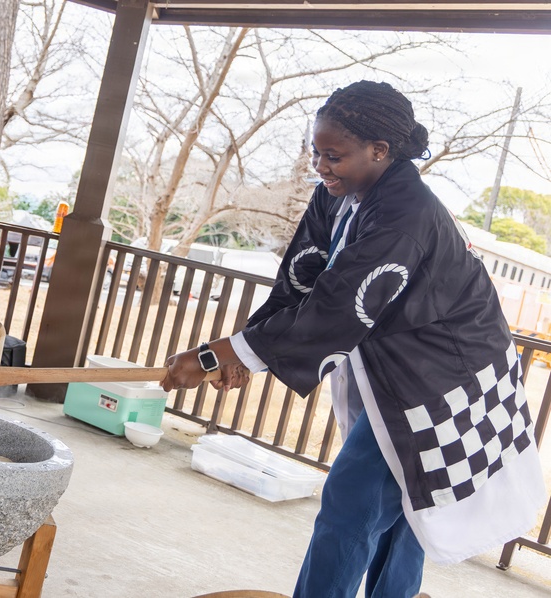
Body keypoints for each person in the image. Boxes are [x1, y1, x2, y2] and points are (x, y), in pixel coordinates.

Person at [161, 81, 546, 597]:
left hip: (446, 379)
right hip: (398, 362)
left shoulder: (406, 210)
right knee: (401, 496)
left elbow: (338, 306)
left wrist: (215, 354)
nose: (321, 166)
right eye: (316, 153)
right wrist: (240, 353)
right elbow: (300, 280)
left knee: (359, 499)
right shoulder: (336, 197)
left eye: (333, 155)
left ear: (379, 151)